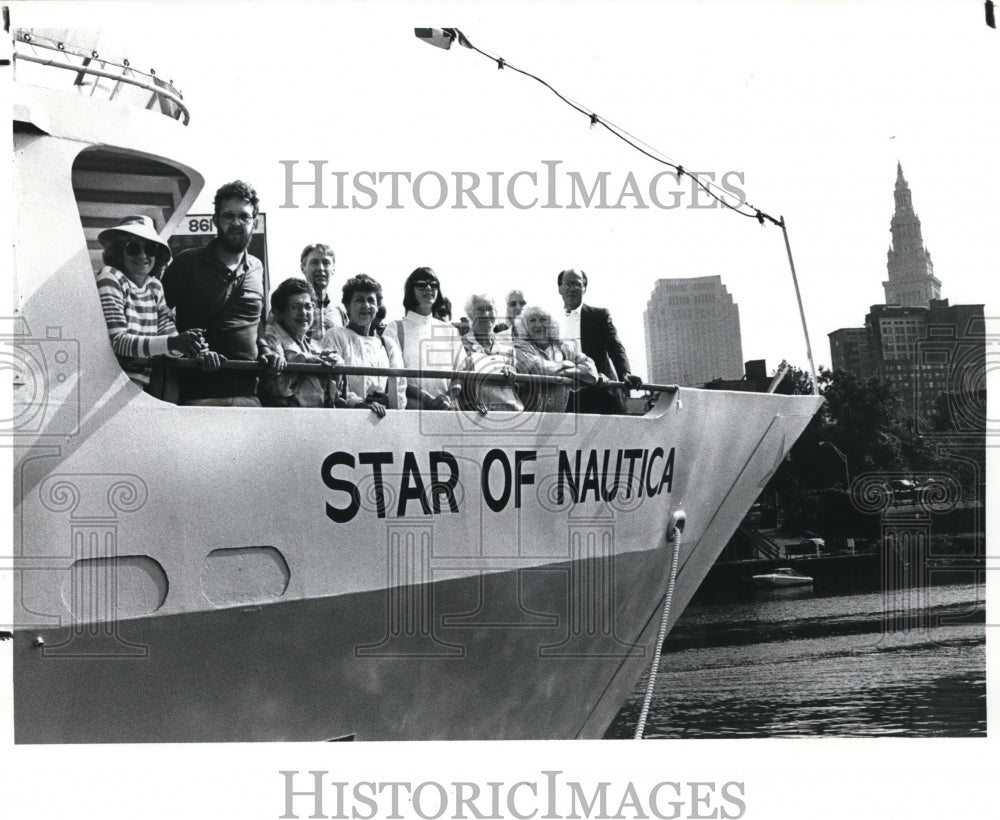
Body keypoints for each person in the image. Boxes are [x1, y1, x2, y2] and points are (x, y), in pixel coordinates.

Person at [162, 180, 281, 406]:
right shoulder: (187, 262)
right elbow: (159, 314)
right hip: (199, 396)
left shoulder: (257, 267)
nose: (236, 223)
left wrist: (266, 350)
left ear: (254, 222)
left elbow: (255, 323)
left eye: (244, 216)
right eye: (228, 216)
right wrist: (184, 346)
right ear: (216, 220)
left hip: (248, 395)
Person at [95, 215, 205, 388]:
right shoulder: (110, 276)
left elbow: (169, 340)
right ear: (118, 253)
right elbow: (117, 342)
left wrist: (193, 346)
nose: (143, 255)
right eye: (133, 248)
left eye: (150, 248)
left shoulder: (154, 286)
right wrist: (174, 343)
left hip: (138, 388)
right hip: (107, 385)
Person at [557, 268, 643, 415]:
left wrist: (625, 373)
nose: (572, 289)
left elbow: (615, 346)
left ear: (584, 288)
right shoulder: (552, 321)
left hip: (599, 390)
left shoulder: (599, 316)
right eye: (568, 284)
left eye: (578, 284)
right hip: (566, 395)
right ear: (560, 288)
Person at [321, 274, 406, 417]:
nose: (366, 305)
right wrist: (358, 403)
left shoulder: (387, 344)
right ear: (347, 306)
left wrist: (389, 401)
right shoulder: (335, 335)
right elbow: (331, 384)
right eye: (359, 300)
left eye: (371, 301)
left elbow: (399, 387)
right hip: (345, 417)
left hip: (381, 417)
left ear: (377, 307)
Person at [383, 267, 463, 410]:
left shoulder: (451, 331)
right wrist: (425, 398)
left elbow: (460, 373)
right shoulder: (395, 328)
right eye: (421, 284)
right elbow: (394, 375)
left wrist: (448, 398)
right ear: (410, 290)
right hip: (410, 411)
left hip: (446, 411)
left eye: (433, 284)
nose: (428, 288)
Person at [260, 278, 342, 407]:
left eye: (308, 307)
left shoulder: (314, 346)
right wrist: (303, 360)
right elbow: (276, 388)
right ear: (278, 313)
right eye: (295, 307)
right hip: (286, 420)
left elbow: (336, 396)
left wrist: (335, 365)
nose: (303, 313)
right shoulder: (270, 342)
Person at [514, 305, 598, 413]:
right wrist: (569, 364)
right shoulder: (520, 347)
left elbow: (591, 374)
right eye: (532, 320)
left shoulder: (566, 347)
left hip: (557, 419)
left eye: (543, 319)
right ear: (525, 326)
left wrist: (563, 370)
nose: (538, 325)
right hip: (529, 420)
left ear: (553, 323)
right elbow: (537, 369)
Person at [459, 294, 522, 414]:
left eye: (490, 309)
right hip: (475, 415)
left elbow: (519, 387)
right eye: (480, 309)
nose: (486, 314)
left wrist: (512, 371)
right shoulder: (460, 345)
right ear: (470, 314)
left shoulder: (508, 348)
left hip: (509, 413)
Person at [298, 243, 347, 340]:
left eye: (326, 263)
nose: (321, 268)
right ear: (303, 268)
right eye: (314, 262)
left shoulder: (339, 313)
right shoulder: (288, 306)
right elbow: (271, 340)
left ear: (333, 269)